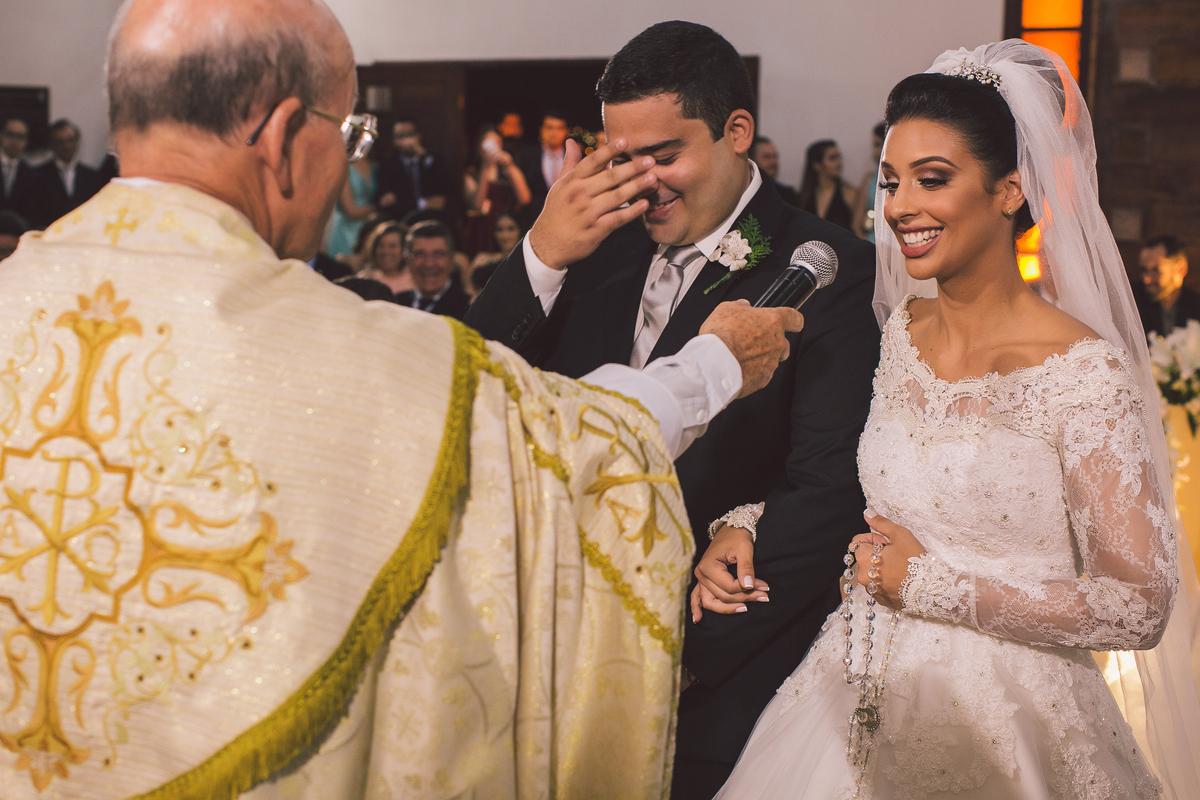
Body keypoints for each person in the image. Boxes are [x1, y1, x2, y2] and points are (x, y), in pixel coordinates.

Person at [0, 3, 804, 796]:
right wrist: (714, 365)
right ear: (282, 138)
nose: (351, 164)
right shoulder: (350, 350)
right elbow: (550, 448)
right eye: (350, 136)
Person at [710, 41, 1200, 799]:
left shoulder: (1082, 371)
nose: (901, 205)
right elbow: (852, 476)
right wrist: (744, 521)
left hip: (1013, 719)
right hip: (848, 687)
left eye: (932, 180)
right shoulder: (901, 329)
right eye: (892, 181)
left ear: (1009, 190)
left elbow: (1139, 603)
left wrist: (931, 586)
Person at [464, 21, 880, 798]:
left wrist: (669, 651)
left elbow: (826, 494)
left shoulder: (826, 269)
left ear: (737, 134)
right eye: (621, 157)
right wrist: (543, 253)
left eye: (664, 155)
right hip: (549, 659)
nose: (641, 181)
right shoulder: (593, 242)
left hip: (718, 679)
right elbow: (472, 391)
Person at [460, 125, 530, 257]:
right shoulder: (472, 173)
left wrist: (510, 167)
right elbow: (477, 205)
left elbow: (525, 198)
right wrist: (485, 167)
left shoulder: (507, 170)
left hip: (507, 227)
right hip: (483, 229)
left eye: (497, 143)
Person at [25, 119, 105, 229]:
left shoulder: (92, 176)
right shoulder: (37, 175)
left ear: (77, 142)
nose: (66, 146)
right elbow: (34, 213)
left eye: (71, 140)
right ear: (52, 145)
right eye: (60, 142)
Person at [371, 117, 450, 221]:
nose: (406, 141)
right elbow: (385, 202)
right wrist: (423, 203)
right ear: (394, 141)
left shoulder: (434, 161)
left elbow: (443, 198)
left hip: (432, 220)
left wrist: (423, 155)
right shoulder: (387, 166)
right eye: (401, 136)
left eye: (410, 134)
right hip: (401, 222)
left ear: (418, 136)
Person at [394, 220, 471, 319]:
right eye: (419, 254)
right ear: (407, 261)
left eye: (438, 254)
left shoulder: (469, 309)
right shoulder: (395, 305)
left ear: (452, 260)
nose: (429, 263)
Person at [1133, 234, 1199, 336]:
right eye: (1143, 270)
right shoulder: (1133, 301)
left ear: (1181, 269)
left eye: (1156, 271)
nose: (1146, 279)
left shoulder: (1196, 305)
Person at [515, 110, 568, 225]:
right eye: (550, 128)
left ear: (565, 131)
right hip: (533, 220)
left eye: (559, 128)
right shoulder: (527, 156)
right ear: (541, 130)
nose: (554, 133)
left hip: (566, 218)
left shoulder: (574, 157)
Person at [797, 138, 858, 233]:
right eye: (832, 158)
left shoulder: (849, 193)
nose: (839, 163)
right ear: (817, 165)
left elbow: (857, 230)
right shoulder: (803, 197)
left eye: (839, 157)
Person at [324, 150, 374, 257]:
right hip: (348, 230)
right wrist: (378, 208)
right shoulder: (344, 167)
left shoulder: (374, 166)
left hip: (371, 228)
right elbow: (350, 211)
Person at [467, 210, 522, 292]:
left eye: (510, 229)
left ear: (520, 230)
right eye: (499, 230)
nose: (505, 235)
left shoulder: (525, 261)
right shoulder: (482, 258)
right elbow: (467, 287)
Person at [851, 122, 886, 242]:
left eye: (877, 144)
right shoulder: (870, 179)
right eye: (874, 145)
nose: (875, 151)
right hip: (873, 242)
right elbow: (857, 224)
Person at [749, 135, 799, 206]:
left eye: (775, 157)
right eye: (767, 157)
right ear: (751, 159)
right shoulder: (739, 193)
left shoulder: (786, 195)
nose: (774, 162)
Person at [0, 117, 35, 217]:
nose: (14, 141)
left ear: (26, 141)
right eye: (10, 135)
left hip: (18, 229)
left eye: (20, 137)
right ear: (1, 136)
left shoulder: (30, 173)